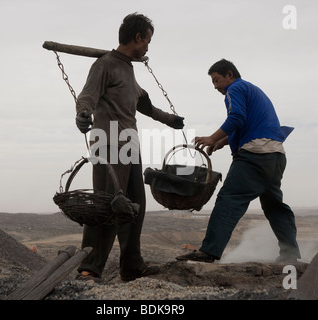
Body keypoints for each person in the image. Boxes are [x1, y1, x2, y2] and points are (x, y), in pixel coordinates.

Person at [74, 13, 185, 281]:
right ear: (137, 38)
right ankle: (90, 268)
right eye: (147, 41)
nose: (148, 47)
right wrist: (83, 112)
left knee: (135, 206)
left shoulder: (129, 70)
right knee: (108, 203)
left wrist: (170, 120)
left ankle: (132, 266)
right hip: (108, 143)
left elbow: (145, 105)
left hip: (129, 146)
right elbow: (88, 94)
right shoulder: (105, 64)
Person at [176, 59, 300, 263]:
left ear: (230, 74)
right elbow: (250, 123)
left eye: (217, 80)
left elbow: (237, 118)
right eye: (213, 83)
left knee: (229, 199)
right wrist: (224, 142)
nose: (216, 87)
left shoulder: (235, 88)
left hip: (255, 156)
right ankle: (290, 255)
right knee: (274, 206)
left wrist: (212, 138)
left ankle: (209, 251)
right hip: (276, 156)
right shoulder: (251, 89)